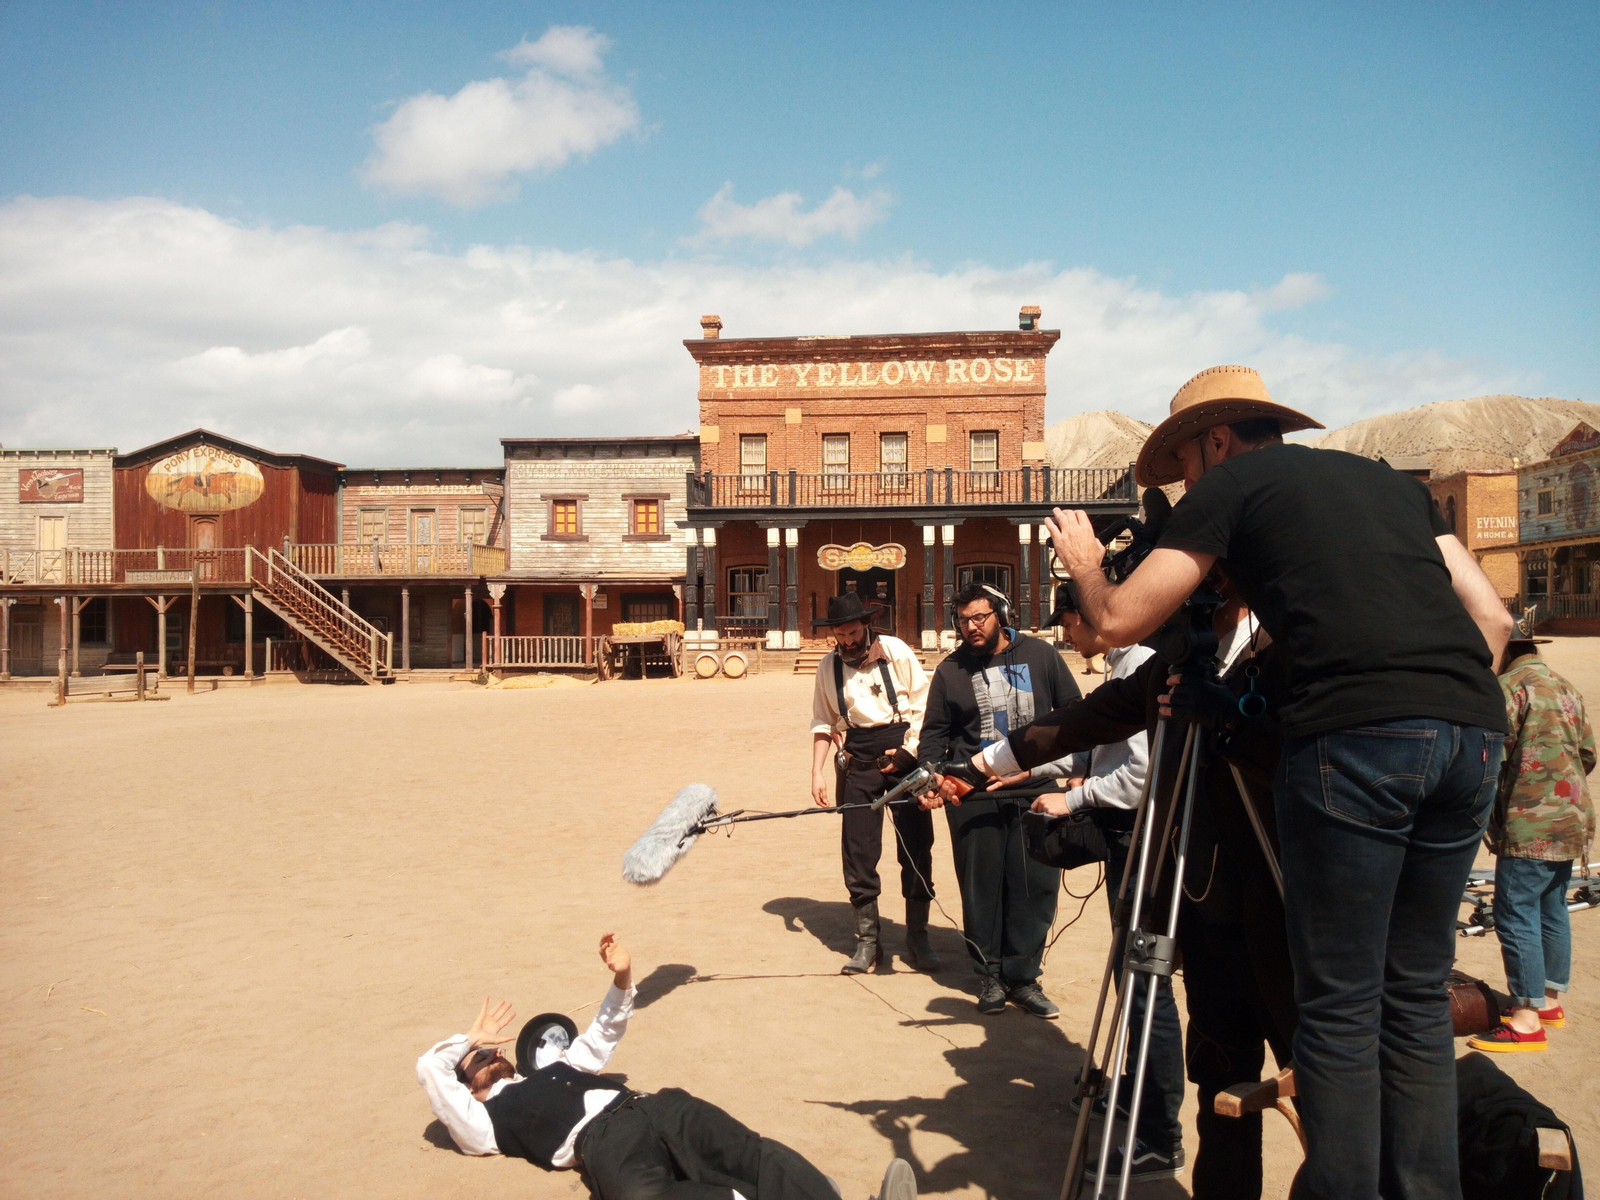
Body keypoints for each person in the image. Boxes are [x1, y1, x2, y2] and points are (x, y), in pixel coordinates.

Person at [987, 365, 1515, 1200]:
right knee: (1409, 997)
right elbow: (1492, 619)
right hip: (1473, 734)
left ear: (1218, 440)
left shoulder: (1230, 486)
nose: (1189, 487)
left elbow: (1120, 618)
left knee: (1337, 1012)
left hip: (1356, 745)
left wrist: (1088, 562)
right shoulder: (1385, 484)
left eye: (1188, 467)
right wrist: (1432, 709)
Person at [417, 932, 918, 1200]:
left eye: (495, 1050)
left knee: (749, 1152)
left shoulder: (555, 1067)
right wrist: (467, 1037)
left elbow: (602, 1035)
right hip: (604, 1145)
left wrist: (623, 978)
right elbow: (429, 1069)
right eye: (483, 1058)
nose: (495, 1054)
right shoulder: (483, 1124)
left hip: (651, 1107)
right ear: (468, 1084)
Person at [915, 581, 1081, 1017]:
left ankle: (1024, 978)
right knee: (982, 886)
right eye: (963, 620)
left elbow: (1074, 712)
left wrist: (1075, 771)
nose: (971, 627)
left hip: (1036, 788)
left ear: (1001, 614)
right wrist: (932, 778)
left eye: (980, 617)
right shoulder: (950, 671)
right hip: (974, 795)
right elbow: (933, 736)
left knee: (1034, 886)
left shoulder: (1042, 656)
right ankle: (989, 975)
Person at [1468, 632, 1595, 1054]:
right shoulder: (1566, 688)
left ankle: (1525, 1020)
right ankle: (1549, 1003)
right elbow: (1589, 754)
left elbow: (1488, 753)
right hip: (1572, 817)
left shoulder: (1508, 688)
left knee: (1515, 911)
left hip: (1529, 820)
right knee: (1552, 906)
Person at [809, 591, 939, 974]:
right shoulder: (827, 668)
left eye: (852, 632)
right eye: (840, 634)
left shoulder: (896, 651)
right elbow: (822, 722)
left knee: (916, 845)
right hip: (859, 759)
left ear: (866, 624)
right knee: (858, 851)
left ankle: (918, 936)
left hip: (903, 754)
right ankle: (868, 941)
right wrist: (816, 772)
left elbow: (923, 704)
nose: (848, 641)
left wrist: (910, 751)